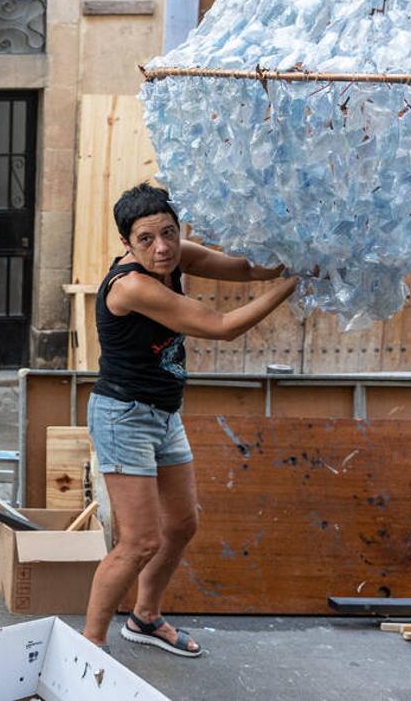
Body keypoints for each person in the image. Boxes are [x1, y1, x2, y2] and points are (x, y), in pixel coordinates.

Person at [82, 182, 298, 655]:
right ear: (127, 244)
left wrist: (301, 257)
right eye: (146, 239)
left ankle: (145, 617)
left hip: (163, 413)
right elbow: (221, 327)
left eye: (169, 233)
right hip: (123, 416)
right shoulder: (133, 285)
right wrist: (295, 283)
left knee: (181, 525)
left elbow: (243, 269)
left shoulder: (174, 255)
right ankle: (88, 649)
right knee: (137, 542)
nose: (161, 247)